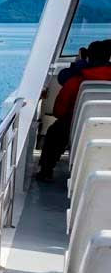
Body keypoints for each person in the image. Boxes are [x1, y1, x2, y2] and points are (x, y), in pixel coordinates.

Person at [39, 39, 111, 180]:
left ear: (88, 58)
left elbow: (58, 111)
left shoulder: (75, 81)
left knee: (54, 133)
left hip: (79, 126)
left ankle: (46, 172)